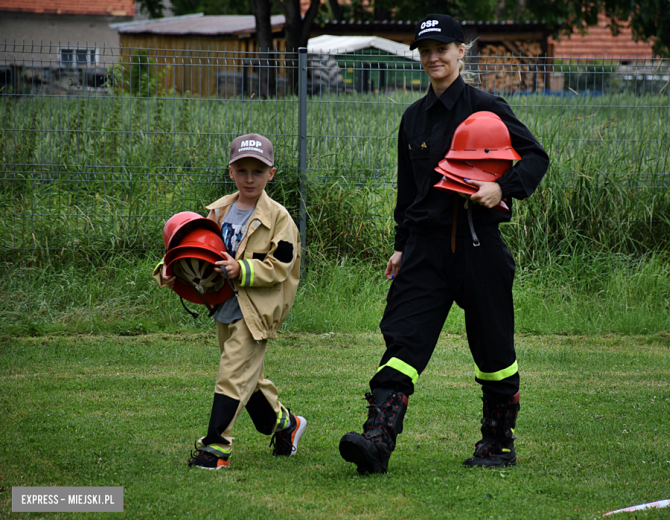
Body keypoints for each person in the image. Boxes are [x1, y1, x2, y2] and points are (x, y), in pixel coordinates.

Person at [338, 14, 550, 474]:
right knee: (402, 338)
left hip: (478, 245)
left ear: (461, 51)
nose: (433, 57)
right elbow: (406, 190)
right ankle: (377, 441)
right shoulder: (413, 117)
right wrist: (400, 244)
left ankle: (497, 444)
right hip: (424, 250)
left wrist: (504, 188)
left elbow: (536, 156)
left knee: (493, 350)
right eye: (425, 50)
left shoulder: (487, 107)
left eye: (442, 48)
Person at [154, 133, 306, 469]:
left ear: (271, 174)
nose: (249, 178)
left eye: (257, 171)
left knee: (232, 375)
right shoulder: (218, 210)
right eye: (242, 170)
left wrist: (242, 269)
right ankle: (286, 424)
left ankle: (215, 450)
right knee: (249, 381)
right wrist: (167, 272)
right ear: (231, 171)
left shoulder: (279, 219)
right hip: (223, 307)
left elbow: (281, 266)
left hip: (258, 312)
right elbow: (194, 252)